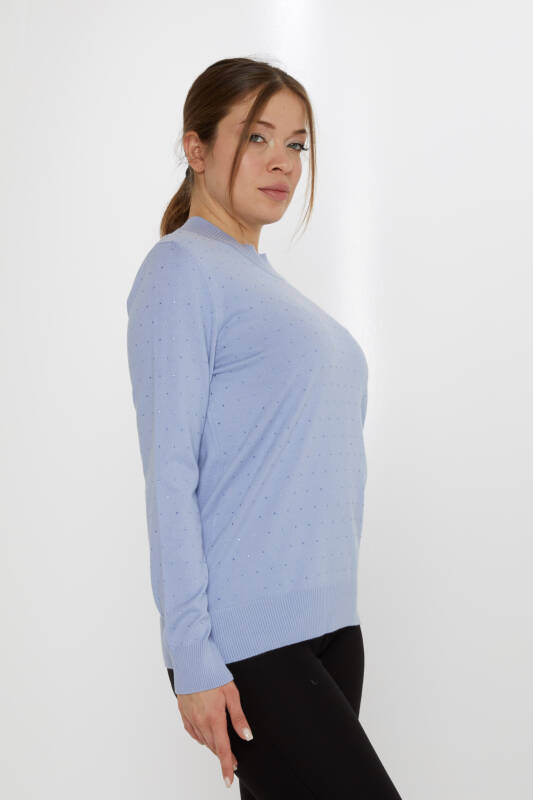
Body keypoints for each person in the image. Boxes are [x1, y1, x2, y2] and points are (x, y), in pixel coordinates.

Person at [126, 56, 404, 798]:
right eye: (256, 138)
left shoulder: (263, 284)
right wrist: (191, 657)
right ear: (196, 148)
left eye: (296, 144)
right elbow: (170, 472)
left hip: (330, 626)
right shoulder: (181, 271)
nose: (283, 162)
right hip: (252, 640)